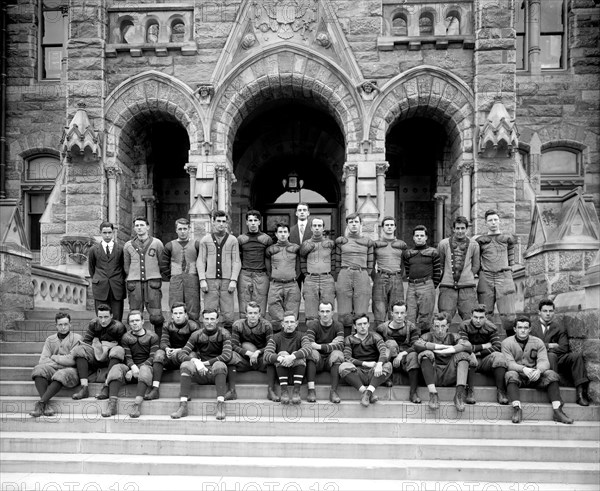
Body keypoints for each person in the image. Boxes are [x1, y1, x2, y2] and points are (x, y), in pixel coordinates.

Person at [502, 317, 573, 424]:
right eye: (520, 327)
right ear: (514, 329)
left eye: (525, 327)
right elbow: (509, 363)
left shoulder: (538, 342)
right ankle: (517, 409)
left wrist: (539, 371)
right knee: (510, 374)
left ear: (530, 329)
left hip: (535, 376)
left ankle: (558, 411)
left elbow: (544, 361)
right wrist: (523, 369)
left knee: (551, 374)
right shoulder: (506, 342)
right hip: (519, 376)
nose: (522, 330)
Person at [170, 309, 232, 420]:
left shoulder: (224, 333)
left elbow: (227, 355)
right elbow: (182, 354)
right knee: (186, 365)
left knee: (219, 365)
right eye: (207, 319)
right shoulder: (196, 335)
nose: (209, 322)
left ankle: (220, 404)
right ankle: (183, 405)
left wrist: (205, 363)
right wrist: (196, 361)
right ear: (202, 320)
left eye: (212, 319)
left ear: (217, 320)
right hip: (201, 373)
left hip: (217, 373)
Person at [531, 299, 590, 406]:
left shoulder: (559, 327)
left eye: (550, 311)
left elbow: (564, 348)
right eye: (545, 311)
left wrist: (542, 346)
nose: (548, 314)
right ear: (539, 312)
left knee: (576, 356)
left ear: (554, 312)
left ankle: (581, 393)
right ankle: (555, 394)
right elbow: (531, 346)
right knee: (551, 355)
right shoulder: (532, 327)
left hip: (558, 359)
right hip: (538, 360)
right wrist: (549, 345)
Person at [101, 310, 159, 418]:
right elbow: (128, 357)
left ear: (142, 321)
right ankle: (112, 404)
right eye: (132, 321)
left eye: (137, 320)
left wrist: (137, 369)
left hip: (146, 369)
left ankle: (137, 405)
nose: (135, 323)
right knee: (116, 368)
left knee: (145, 369)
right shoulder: (126, 337)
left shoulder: (153, 337)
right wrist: (131, 368)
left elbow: (152, 357)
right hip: (130, 369)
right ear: (129, 323)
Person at [414, 313, 473, 412]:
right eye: (437, 326)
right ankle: (433, 394)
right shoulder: (426, 336)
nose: (440, 330)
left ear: (447, 326)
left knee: (463, 356)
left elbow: (468, 346)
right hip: (433, 374)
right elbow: (417, 344)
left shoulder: (454, 336)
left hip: (450, 373)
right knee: (425, 354)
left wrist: (451, 349)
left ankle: (458, 396)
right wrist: (436, 347)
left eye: (443, 326)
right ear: (433, 326)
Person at [29, 312, 82, 417]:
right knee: (38, 369)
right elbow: (43, 360)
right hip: (57, 369)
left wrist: (54, 357)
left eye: (66, 324)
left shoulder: (77, 338)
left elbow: (71, 361)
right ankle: (45, 404)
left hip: (72, 372)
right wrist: (62, 362)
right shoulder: (50, 339)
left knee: (61, 374)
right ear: (56, 325)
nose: (63, 327)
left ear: (70, 324)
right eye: (60, 325)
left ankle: (41, 404)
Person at [146, 302, 201, 400]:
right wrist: (167, 349)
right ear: (172, 315)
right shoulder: (167, 325)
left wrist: (180, 350)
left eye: (180, 313)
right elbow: (163, 341)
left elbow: (196, 346)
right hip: (171, 357)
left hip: (185, 356)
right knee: (159, 354)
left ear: (185, 314)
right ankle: (155, 389)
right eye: (175, 313)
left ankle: (185, 391)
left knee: (193, 355)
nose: (178, 316)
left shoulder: (193, 326)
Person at [71, 304, 127, 400]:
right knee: (79, 349)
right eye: (100, 317)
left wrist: (108, 346)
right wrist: (98, 347)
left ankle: (106, 386)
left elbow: (124, 346)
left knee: (118, 350)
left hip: (111, 358)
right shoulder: (93, 324)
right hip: (96, 354)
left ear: (112, 316)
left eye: (106, 317)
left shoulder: (119, 327)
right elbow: (87, 342)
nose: (103, 320)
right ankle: (84, 387)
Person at [198, 210, 241, 330]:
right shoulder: (205, 240)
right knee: (209, 312)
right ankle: (209, 340)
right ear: (213, 222)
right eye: (218, 221)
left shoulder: (233, 240)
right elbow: (201, 261)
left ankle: (227, 341)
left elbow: (236, 261)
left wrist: (233, 280)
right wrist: (202, 279)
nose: (221, 224)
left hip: (227, 282)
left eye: (224, 221)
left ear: (227, 223)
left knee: (228, 315)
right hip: (210, 281)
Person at [475, 210, 516, 335]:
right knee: (485, 312)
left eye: (495, 220)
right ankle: (488, 340)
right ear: (486, 223)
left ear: (499, 221)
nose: (493, 223)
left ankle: (511, 340)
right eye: (490, 220)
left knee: (508, 312)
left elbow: (512, 258)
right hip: (486, 276)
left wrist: (510, 269)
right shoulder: (480, 241)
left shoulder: (507, 239)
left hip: (503, 275)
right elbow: (476, 260)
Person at [458, 305, 509, 405]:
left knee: (499, 356)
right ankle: (469, 391)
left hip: (485, 359)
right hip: (470, 358)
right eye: (475, 317)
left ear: (485, 318)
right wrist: (484, 346)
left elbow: (497, 346)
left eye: (481, 318)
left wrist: (478, 352)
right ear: (471, 317)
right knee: (465, 355)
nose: (478, 320)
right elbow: (464, 346)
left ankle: (501, 392)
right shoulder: (464, 326)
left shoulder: (491, 327)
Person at [124, 216, 165, 338]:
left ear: (147, 227)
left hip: (152, 283)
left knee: (156, 315)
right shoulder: (128, 246)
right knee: (135, 313)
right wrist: (132, 275)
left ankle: (158, 340)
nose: (139, 228)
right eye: (137, 225)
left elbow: (161, 262)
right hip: (134, 283)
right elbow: (126, 266)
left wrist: (156, 275)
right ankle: (134, 340)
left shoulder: (157, 243)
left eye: (142, 225)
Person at [227, 301, 277, 401]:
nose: (252, 316)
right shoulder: (238, 325)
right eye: (250, 313)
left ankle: (271, 390)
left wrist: (257, 352)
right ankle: (232, 390)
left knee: (272, 357)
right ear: (246, 314)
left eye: (255, 313)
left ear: (259, 314)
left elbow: (271, 345)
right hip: (245, 359)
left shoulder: (266, 325)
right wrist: (247, 353)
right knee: (230, 356)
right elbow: (233, 345)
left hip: (260, 359)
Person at [339, 313, 391, 407]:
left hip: (374, 372)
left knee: (388, 366)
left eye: (364, 323)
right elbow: (347, 357)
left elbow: (383, 351)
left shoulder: (375, 337)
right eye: (359, 324)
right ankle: (365, 392)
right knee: (343, 367)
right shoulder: (349, 339)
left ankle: (368, 393)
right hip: (358, 373)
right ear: (354, 326)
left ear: (368, 324)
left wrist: (379, 364)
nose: (362, 327)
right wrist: (365, 363)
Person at [334, 213, 375, 335]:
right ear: (347, 225)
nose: (354, 224)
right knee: (344, 310)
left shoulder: (368, 242)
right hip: (345, 273)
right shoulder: (341, 241)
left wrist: (365, 275)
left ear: (360, 224)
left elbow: (371, 262)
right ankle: (345, 339)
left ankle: (361, 339)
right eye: (351, 222)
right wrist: (339, 276)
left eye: (356, 222)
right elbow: (336, 261)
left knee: (361, 309)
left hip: (361, 273)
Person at [374, 301, 421, 403]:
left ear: (406, 314)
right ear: (391, 313)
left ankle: (413, 392)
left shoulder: (411, 327)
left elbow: (416, 345)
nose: (399, 316)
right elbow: (377, 346)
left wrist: (402, 354)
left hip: (405, 358)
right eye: (396, 313)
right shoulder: (382, 328)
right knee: (390, 344)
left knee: (413, 355)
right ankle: (387, 377)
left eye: (402, 313)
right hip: (388, 359)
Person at [437, 216, 480, 322]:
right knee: (444, 317)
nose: (460, 231)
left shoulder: (474, 245)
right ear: (453, 229)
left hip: (467, 287)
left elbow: (476, 265)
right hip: (447, 286)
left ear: (466, 229)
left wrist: (468, 275)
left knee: (469, 318)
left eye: (462, 228)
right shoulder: (443, 244)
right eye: (457, 228)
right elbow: (440, 264)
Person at [264, 311, 312, 405]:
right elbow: (266, 354)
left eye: (291, 322)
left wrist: (292, 357)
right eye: (286, 322)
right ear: (282, 324)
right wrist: (282, 358)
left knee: (297, 354)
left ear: (296, 323)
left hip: (298, 376)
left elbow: (308, 348)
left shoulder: (302, 336)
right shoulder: (275, 337)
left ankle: (296, 392)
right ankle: (284, 391)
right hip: (281, 376)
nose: (289, 325)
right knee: (282, 354)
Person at [403, 225, 441, 335]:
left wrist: (432, 286)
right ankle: (411, 341)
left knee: (425, 316)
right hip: (412, 286)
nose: (419, 238)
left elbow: (438, 271)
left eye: (421, 235)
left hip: (427, 285)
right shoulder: (408, 253)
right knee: (410, 315)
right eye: (417, 236)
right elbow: (407, 269)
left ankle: (424, 340)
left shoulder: (433, 252)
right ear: (413, 238)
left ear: (426, 237)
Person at [160, 218, 200, 321]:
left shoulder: (196, 244)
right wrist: (172, 276)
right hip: (175, 279)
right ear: (176, 230)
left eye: (185, 229)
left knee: (193, 307)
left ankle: (193, 331)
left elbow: (202, 262)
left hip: (192, 279)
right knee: (175, 305)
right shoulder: (170, 245)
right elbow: (163, 265)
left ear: (189, 229)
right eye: (180, 229)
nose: (182, 231)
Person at [305, 302, 345, 403]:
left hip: (330, 361)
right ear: (318, 313)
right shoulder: (313, 325)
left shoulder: (338, 325)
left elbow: (340, 345)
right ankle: (311, 390)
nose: (325, 314)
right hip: (317, 360)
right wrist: (330, 345)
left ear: (332, 312)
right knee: (311, 353)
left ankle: (333, 392)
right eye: (322, 311)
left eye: (327, 311)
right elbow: (309, 344)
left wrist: (319, 346)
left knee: (337, 354)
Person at [87, 221, 126, 322]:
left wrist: (119, 279)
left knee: (117, 317)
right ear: (100, 233)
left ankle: (116, 337)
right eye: (105, 233)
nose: (107, 235)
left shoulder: (121, 249)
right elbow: (91, 269)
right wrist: (99, 278)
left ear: (113, 232)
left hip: (116, 287)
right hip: (100, 287)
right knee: (102, 317)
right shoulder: (93, 250)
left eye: (109, 232)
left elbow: (124, 267)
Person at [372, 216, 408, 325]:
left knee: (396, 308)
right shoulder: (376, 244)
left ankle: (394, 337)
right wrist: (376, 277)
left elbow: (404, 263)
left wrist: (398, 275)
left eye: (391, 225)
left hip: (396, 277)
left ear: (395, 227)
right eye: (387, 225)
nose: (389, 227)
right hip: (381, 276)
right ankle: (380, 337)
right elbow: (371, 264)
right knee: (379, 308)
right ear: (382, 228)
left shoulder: (401, 244)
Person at [299, 217, 335, 322]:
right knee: (311, 313)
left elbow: (334, 260)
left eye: (319, 226)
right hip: (311, 279)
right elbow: (302, 260)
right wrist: (306, 274)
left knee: (327, 309)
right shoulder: (306, 244)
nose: (317, 228)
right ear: (310, 228)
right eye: (314, 226)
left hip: (327, 278)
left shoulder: (330, 244)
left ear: (323, 228)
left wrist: (332, 275)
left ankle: (326, 336)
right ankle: (311, 336)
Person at [266, 223, 301, 332]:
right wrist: (273, 277)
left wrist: (294, 276)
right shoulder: (271, 249)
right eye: (280, 232)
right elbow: (268, 267)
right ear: (276, 234)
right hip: (275, 284)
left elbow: (299, 266)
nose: (282, 234)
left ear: (289, 233)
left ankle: (292, 338)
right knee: (275, 312)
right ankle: (278, 338)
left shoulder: (295, 248)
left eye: (285, 232)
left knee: (292, 313)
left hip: (292, 284)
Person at [237, 210, 273, 317]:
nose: (253, 223)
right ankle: (243, 329)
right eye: (250, 220)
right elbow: (237, 258)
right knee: (244, 304)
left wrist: (269, 274)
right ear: (247, 222)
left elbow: (269, 258)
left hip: (261, 275)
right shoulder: (241, 239)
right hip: (245, 274)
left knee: (260, 305)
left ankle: (260, 329)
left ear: (259, 222)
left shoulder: (266, 239)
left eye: (255, 220)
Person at [289, 202, 313, 286]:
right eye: (299, 210)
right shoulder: (290, 231)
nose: (302, 212)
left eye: (304, 210)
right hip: (295, 268)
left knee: (310, 297)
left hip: (310, 268)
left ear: (308, 213)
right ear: (296, 213)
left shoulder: (314, 230)